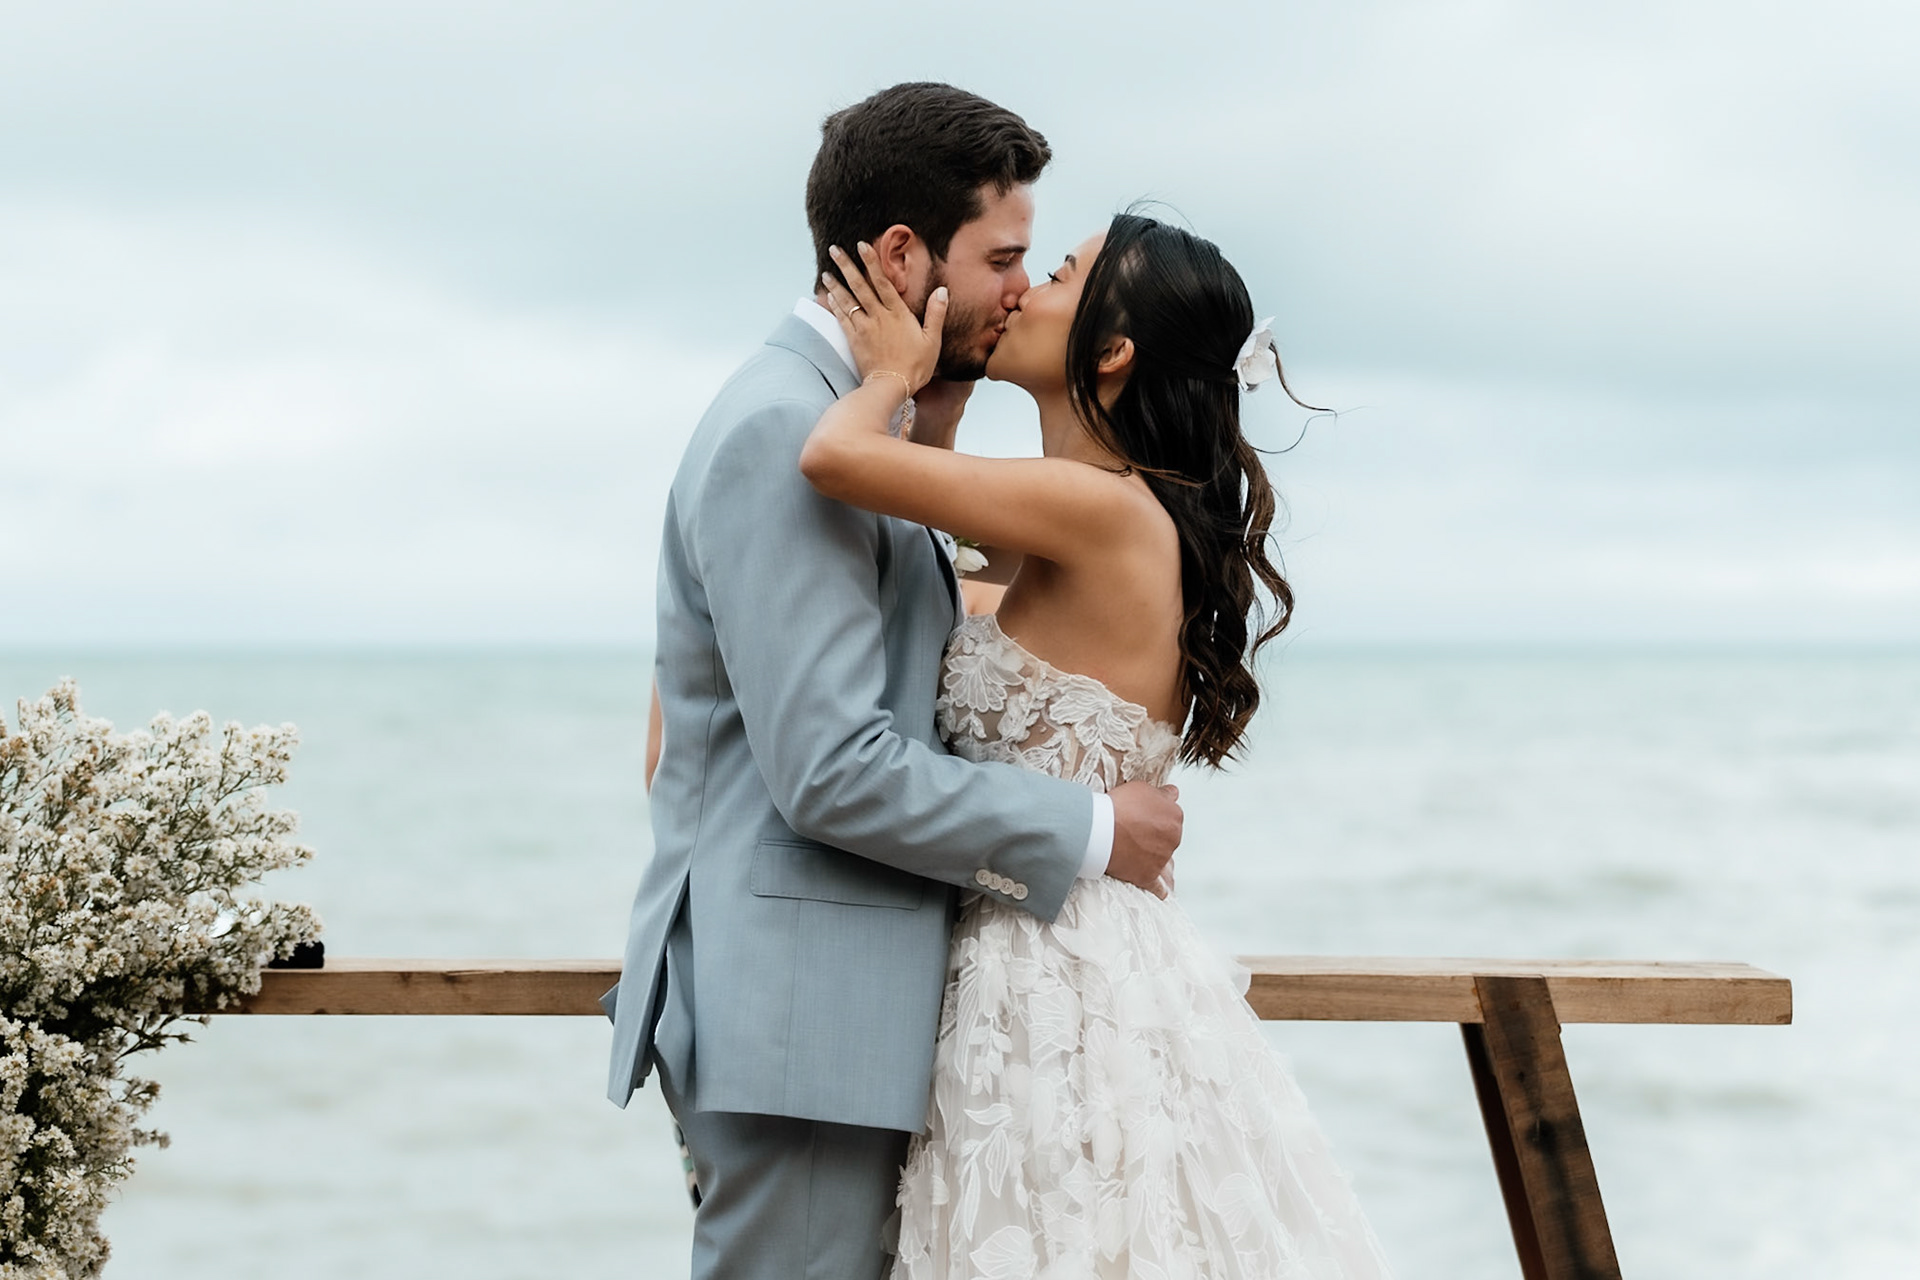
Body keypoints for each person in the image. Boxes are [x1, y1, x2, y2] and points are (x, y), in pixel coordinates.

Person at [602, 84, 1186, 1280]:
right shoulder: (788, 433)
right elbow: (828, 769)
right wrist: (1090, 825)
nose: (1019, 291)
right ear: (904, 254)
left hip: (830, 1017)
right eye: (1004, 258)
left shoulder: (857, 431)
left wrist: (935, 404)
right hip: (802, 1023)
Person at [802, 215, 1395, 1277]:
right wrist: (940, 410)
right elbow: (943, 571)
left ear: (1113, 351)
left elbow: (836, 457)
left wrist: (893, 372)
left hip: (1056, 980)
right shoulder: (1084, 519)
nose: (1026, 287)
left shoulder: (1098, 507)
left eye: (1063, 272)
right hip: (1055, 950)